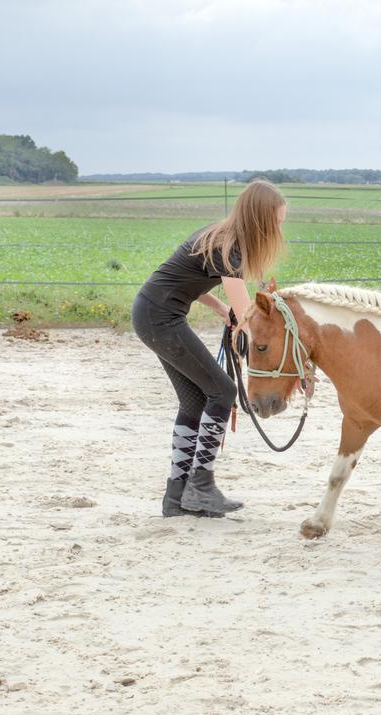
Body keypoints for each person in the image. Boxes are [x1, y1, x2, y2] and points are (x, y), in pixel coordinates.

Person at [131, 180, 287, 517]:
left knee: (195, 400)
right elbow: (246, 315)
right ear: (261, 218)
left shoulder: (221, 237)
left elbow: (184, 278)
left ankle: (176, 497)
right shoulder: (230, 248)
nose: (279, 228)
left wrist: (219, 310)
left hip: (154, 312)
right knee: (223, 391)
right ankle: (201, 486)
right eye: (277, 221)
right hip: (161, 317)